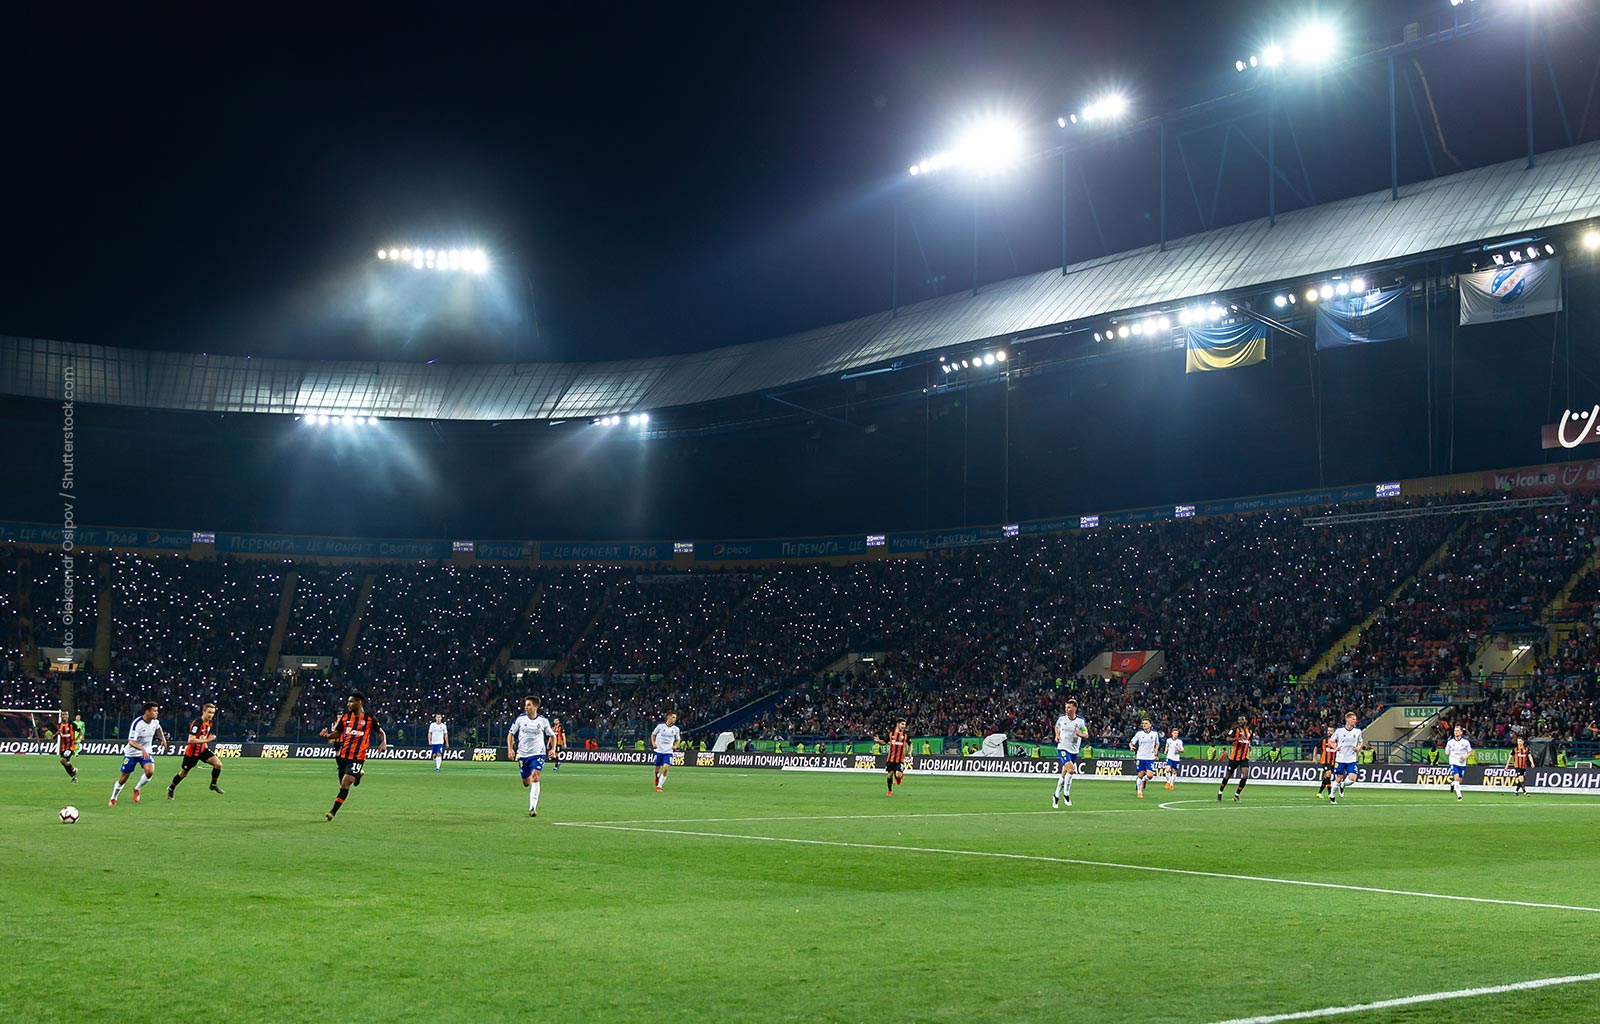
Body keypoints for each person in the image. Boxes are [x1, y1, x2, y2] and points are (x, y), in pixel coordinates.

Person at [320, 691, 387, 821]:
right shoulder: (345, 718)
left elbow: (380, 731)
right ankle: (357, 777)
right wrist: (327, 736)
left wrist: (384, 742)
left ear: (359, 702)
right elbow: (338, 733)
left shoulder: (369, 719)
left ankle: (332, 812)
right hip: (343, 756)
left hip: (358, 757)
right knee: (343, 785)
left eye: (351, 701)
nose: (348, 704)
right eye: (348, 701)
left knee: (345, 784)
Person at [507, 697, 556, 817]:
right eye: (526, 705)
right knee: (526, 782)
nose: (526, 707)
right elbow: (511, 733)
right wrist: (510, 749)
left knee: (535, 776)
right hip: (523, 755)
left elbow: (552, 735)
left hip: (538, 754)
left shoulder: (543, 721)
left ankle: (532, 807)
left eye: (529, 705)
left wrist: (553, 749)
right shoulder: (520, 719)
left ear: (535, 706)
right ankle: (529, 781)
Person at [110, 703, 167, 807]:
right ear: (147, 711)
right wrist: (141, 749)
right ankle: (113, 797)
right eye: (154, 711)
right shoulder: (137, 724)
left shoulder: (155, 722)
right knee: (123, 778)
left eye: (157, 710)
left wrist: (163, 739)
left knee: (150, 771)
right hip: (132, 753)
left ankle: (137, 788)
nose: (157, 713)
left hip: (146, 751)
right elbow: (131, 741)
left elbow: (159, 729)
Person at [167, 703, 225, 799]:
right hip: (192, 753)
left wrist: (205, 745)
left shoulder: (210, 722)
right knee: (183, 773)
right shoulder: (197, 723)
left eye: (213, 713)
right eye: (209, 712)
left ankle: (213, 785)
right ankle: (171, 788)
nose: (211, 715)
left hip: (202, 750)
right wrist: (207, 740)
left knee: (218, 764)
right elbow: (191, 740)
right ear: (204, 712)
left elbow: (203, 736)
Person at [1053, 700, 1088, 809]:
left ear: (1074, 708)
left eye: (1069, 707)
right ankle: (1066, 794)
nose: (1066, 709)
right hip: (1063, 747)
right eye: (1066, 707)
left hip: (1074, 750)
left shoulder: (1080, 721)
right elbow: (1057, 726)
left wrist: (1079, 734)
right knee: (1071, 770)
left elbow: (1086, 735)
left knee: (1064, 774)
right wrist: (1057, 735)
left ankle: (1056, 794)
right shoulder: (1062, 719)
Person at [1330, 712, 1366, 805]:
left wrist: (1358, 748)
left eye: (1355, 719)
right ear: (1348, 720)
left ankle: (1343, 785)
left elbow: (1361, 741)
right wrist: (1335, 748)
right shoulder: (1339, 730)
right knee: (1338, 778)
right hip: (1341, 759)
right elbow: (1331, 741)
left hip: (1351, 759)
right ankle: (1332, 795)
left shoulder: (1357, 731)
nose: (1355, 721)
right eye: (1353, 719)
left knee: (1352, 779)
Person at [1216, 715, 1253, 803]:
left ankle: (1236, 795)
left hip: (1244, 757)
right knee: (1228, 776)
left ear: (1245, 721)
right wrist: (1238, 738)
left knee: (1245, 775)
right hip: (1234, 758)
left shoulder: (1249, 731)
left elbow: (1248, 739)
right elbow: (1228, 738)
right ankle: (1220, 792)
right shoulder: (1235, 729)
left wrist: (1250, 745)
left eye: (1242, 720)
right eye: (1239, 720)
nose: (1240, 721)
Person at [650, 712, 682, 793]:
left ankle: (659, 786)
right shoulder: (660, 727)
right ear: (668, 717)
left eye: (675, 717)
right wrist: (653, 743)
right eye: (673, 717)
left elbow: (678, 739)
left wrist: (675, 746)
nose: (675, 719)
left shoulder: (676, 729)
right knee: (657, 769)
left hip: (668, 752)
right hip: (659, 751)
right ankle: (657, 777)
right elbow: (653, 735)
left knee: (665, 768)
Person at [1130, 717, 1161, 798]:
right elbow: (1131, 743)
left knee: (1150, 775)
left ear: (1150, 725)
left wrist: (1156, 750)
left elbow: (1157, 743)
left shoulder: (1154, 734)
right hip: (1140, 757)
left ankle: (1144, 780)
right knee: (1140, 774)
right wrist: (1131, 747)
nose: (1144, 725)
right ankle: (1139, 792)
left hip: (1150, 757)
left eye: (1146, 723)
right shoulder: (1139, 734)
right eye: (1143, 723)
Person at [877, 719, 909, 796]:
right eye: (902, 724)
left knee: (897, 775)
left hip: (899, 759)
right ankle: (889, 790)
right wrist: (878, 741)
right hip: (890, 759)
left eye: (904, 724)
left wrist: (910, 752)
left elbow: (910, 743)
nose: (904, 726)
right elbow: (884, 742)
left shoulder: (905, 735)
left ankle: (899, 777)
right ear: (897, 724)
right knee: (889, 775)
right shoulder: (891, 734)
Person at [1444, 725, 1472, 802]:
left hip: (1462, 763)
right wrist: (1447, 752)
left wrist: (1465, 757)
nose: (1456, 732)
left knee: (1459, 781)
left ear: (1461, 732)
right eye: (1455, 731)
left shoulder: (1465, 742)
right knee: (1456, 778)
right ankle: (1459, 796)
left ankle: (1452, 784)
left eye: (1458, 731)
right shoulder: (1450, 742)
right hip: (1453, 762)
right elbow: (1447, 750)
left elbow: (1470, 752)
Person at [1314, 726, 1338, 800]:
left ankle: (1319, 793)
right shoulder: (1324, 739)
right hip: (1325, 761)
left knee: (1326, 777)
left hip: (1333, 761)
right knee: (1328, 774)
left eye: (1331, 731)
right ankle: (1330, 793)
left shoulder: (1338, 740)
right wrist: (1314, 757)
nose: (1329, 732)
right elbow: (1316, 747)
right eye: (1328, 730)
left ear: (1334, 732)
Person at [57, 710, 80, 782]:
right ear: (61, 716)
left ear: (68, 716)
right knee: (64, 762)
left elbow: (80, 732)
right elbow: (59, 731)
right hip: (63, 747)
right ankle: (74, 777)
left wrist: (76, 740)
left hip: (70, 746)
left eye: (65, 714)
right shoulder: (59, 725)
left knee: (63, 760)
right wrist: (54, 735)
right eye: (63, 714)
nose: (64, 716)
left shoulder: (72, 724)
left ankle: (73, 770)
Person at [1162, 727, 1184, 791]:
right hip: (1169, 757)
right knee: (1167, 770)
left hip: (1176, 758)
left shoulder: (1179, 741)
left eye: (1177, 733)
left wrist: (1179, 750)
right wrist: (1165, 751)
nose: (1176, 734)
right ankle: (1168, 781)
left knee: (1174, 772)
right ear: (1172, 733)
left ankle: (1171, 784)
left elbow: (1182, 750)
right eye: (1174, 733)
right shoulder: (1168, 740)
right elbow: (1167, 746)